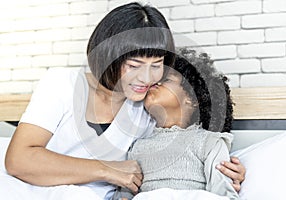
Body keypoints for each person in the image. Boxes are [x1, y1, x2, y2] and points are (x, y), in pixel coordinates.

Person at [4, 2, 244, 200]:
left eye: (157, 65)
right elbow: (18, 160)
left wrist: (228, 172)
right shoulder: (61, 83)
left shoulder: (148, 107)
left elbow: (181, 145)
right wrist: (106, 169)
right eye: (134, 66)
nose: (147, 78)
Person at [113, 48, 240, 200]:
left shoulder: (209, 142)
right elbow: (125, 190)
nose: (154, 83)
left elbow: (223, 193)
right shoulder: (137, 145)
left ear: (192, 99)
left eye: (167, 80)